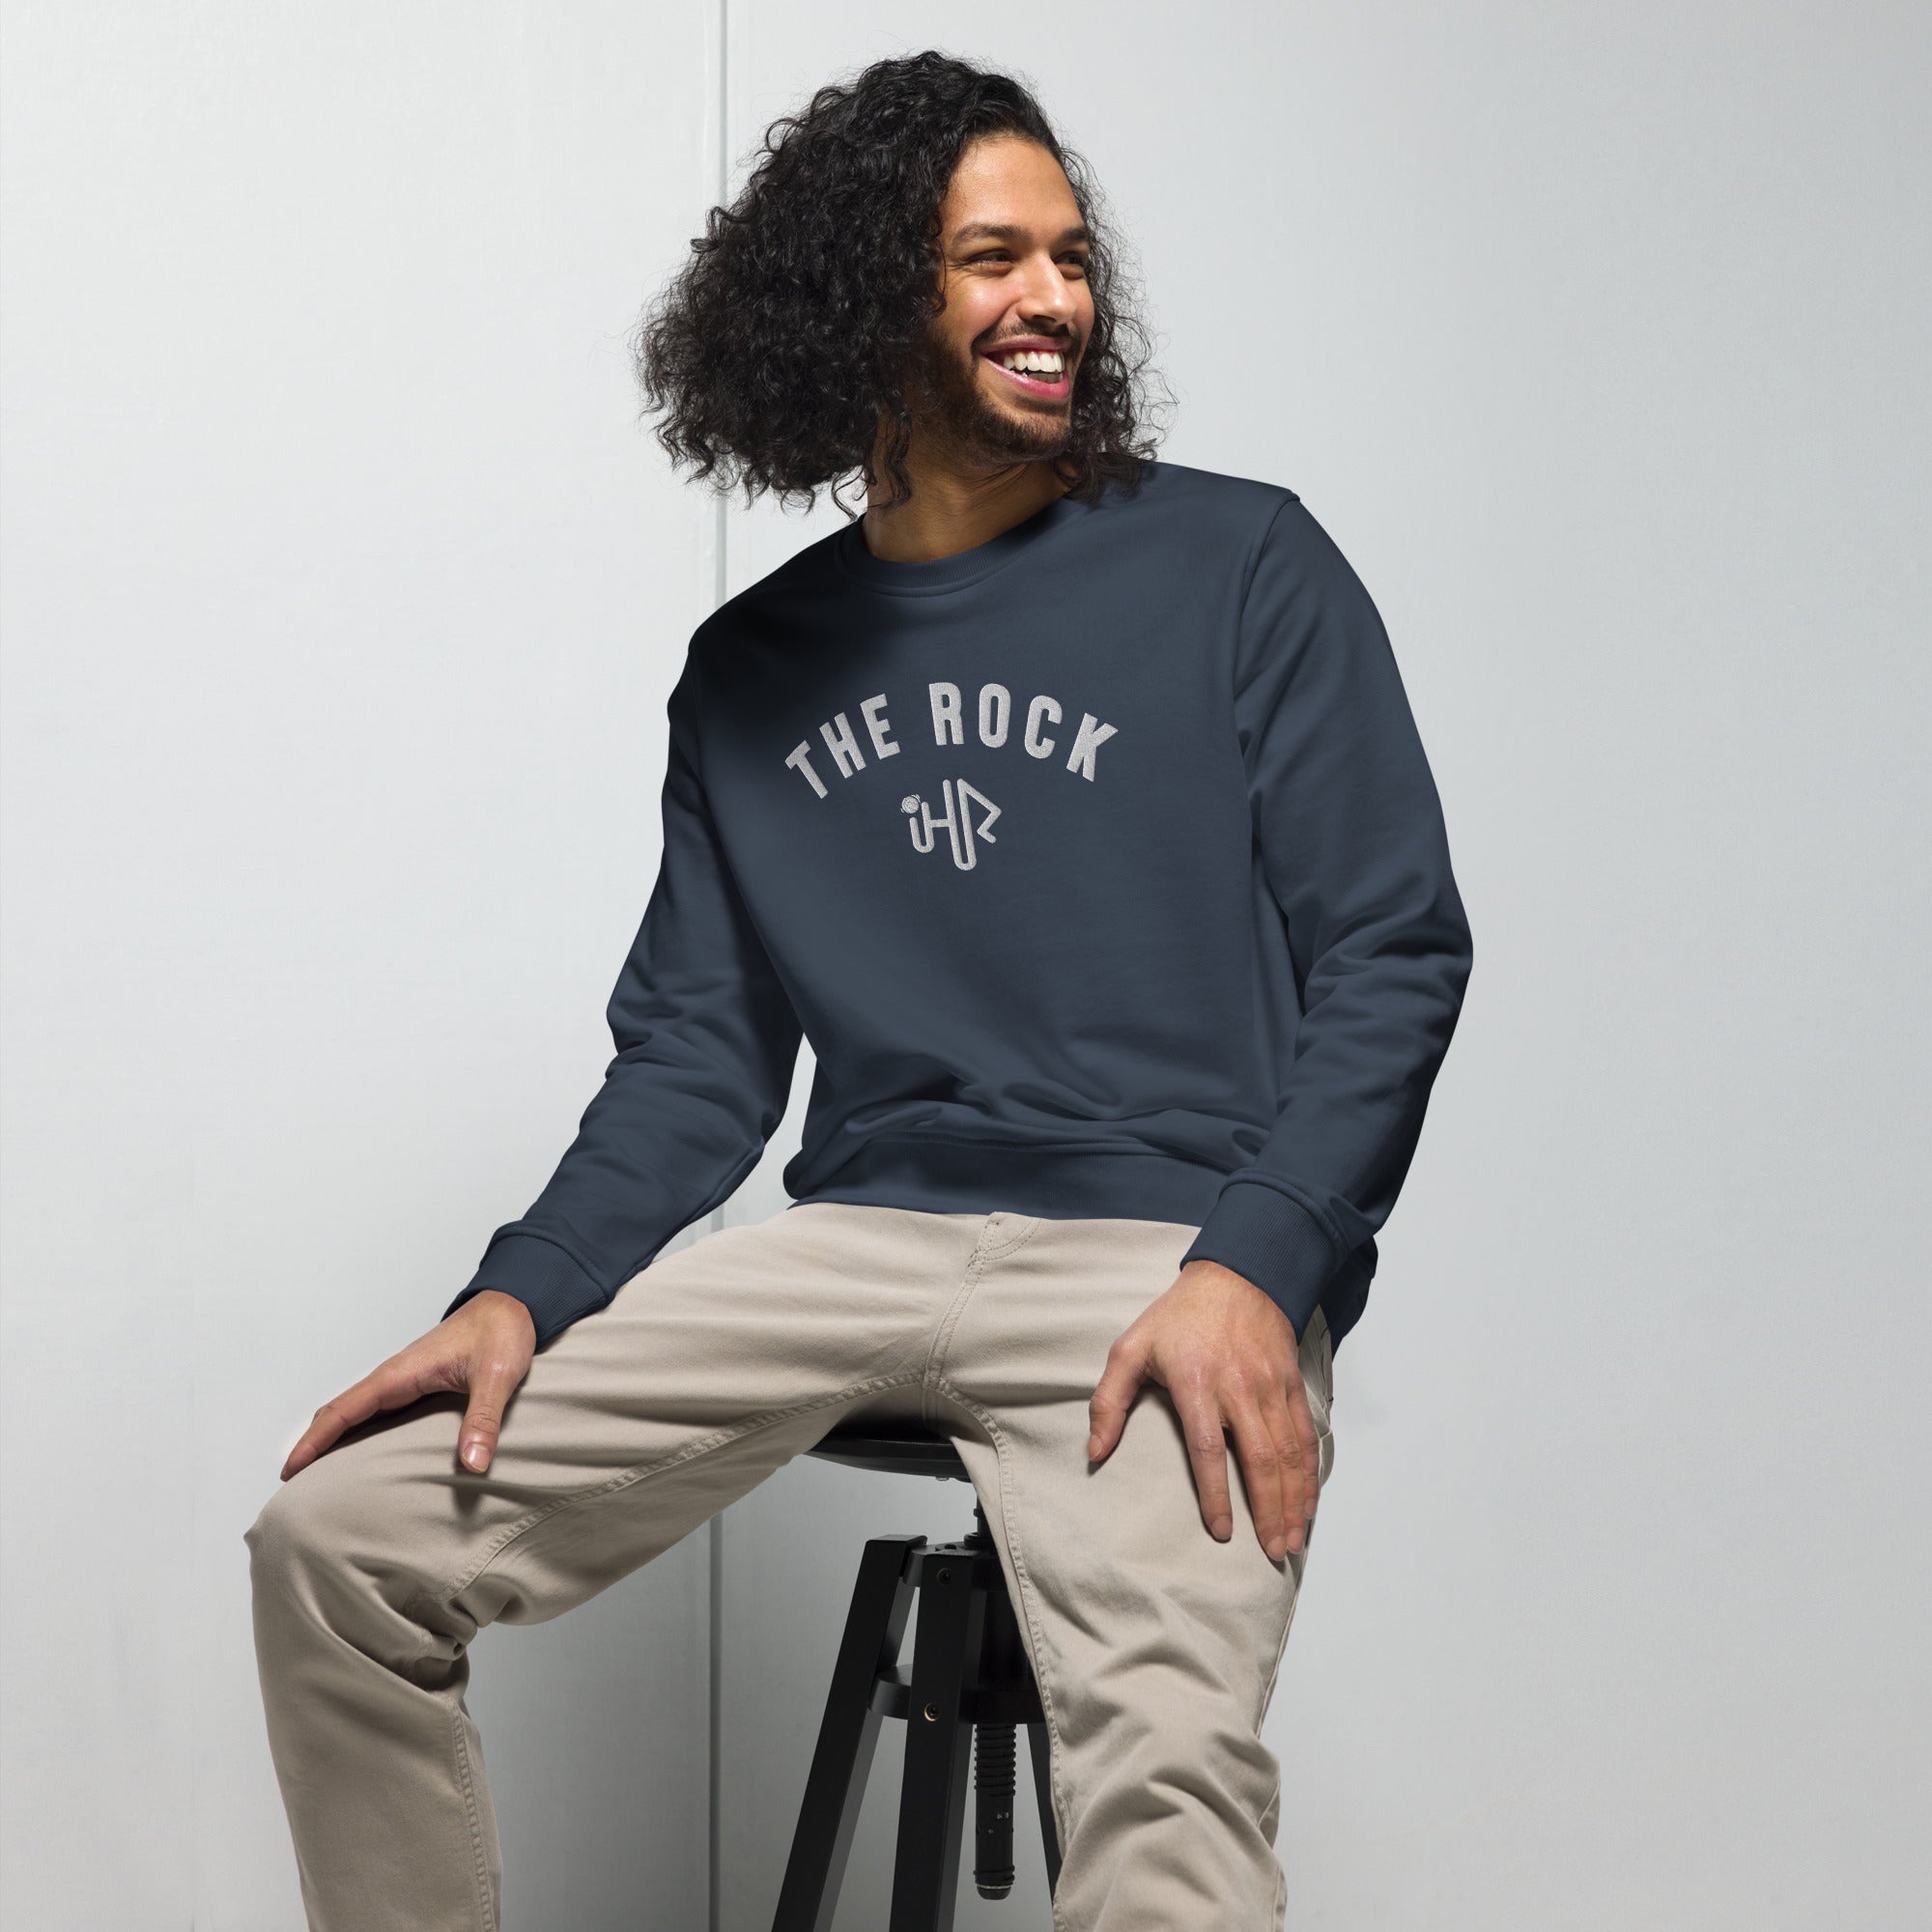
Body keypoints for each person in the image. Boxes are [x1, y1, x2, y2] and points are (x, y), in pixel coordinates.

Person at [246, 50, 1473, 1932]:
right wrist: (521, 1291)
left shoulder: (1243, 565)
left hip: (1160, 1247)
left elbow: (1393, 944)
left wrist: (1263, 1260)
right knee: (335, 1543)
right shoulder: (754, 667)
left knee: (1163, 1783)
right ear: (857, 301)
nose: (1056, 298)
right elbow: (695, 1057)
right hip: (861, 1243)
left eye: (1070, 256)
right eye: (994, 258)